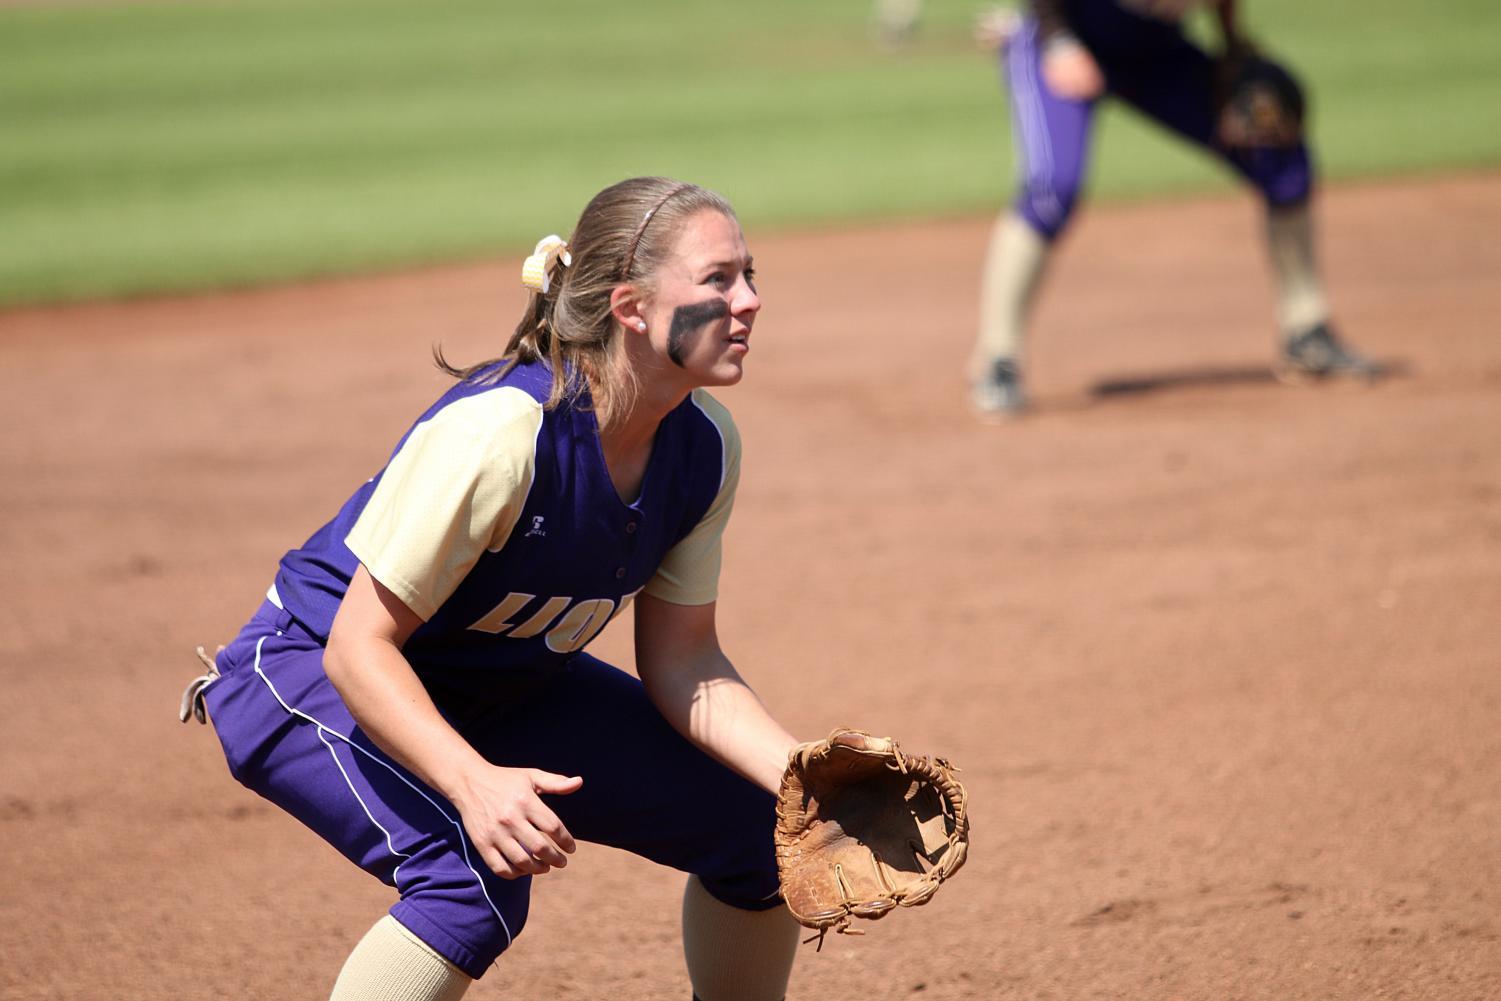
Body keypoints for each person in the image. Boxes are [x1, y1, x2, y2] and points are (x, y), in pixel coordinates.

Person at [182, 177, 805, 1001]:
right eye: (718, 279)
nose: (750, 300)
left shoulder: (702, 447)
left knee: (765, 832)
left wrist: (807, 776)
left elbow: (685, 662)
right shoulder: (501, 436)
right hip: (309, 671)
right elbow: (357, 647)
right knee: (470, 877)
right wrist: (474, 780)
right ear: (629, 305)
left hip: (500, 684)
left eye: (749, 274)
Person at [969, 0, 1381, 417]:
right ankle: (997, 358)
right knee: (1052, 189)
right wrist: (1057, 40)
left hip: (1155, 52)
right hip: (1060, 34)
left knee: (1278, 154)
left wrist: (1232, 47)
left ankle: (1306, 330)